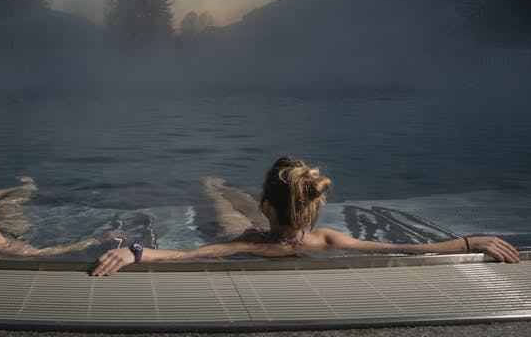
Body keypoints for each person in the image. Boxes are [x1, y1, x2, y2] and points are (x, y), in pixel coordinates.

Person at [92, 157, 520, 276]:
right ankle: (224, 186)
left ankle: (211, 184)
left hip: (239, 227)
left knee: (221, 203)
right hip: (279, 223)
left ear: (270, 206)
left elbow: (189, 256)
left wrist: (134, 251)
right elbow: (407, 247)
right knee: (234, 197)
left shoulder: (249, 244)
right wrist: (468, 241)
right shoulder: (328, 240)